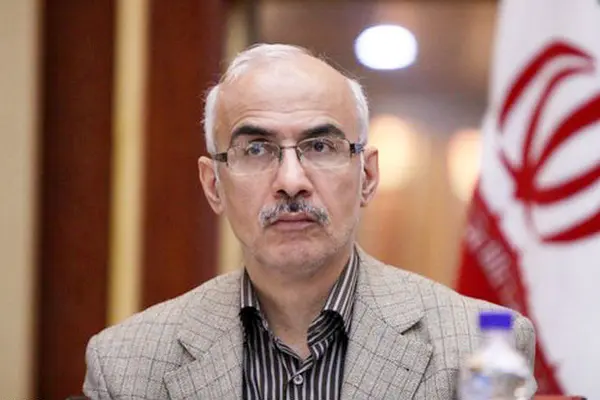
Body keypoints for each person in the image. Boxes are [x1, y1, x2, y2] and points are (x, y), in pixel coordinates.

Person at [83, 43, 536, 400]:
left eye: (320, 147)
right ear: (213, 185)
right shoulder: (127, 364)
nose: (291, 181)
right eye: (256, 149)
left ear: (367, 176)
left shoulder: (478, 347)